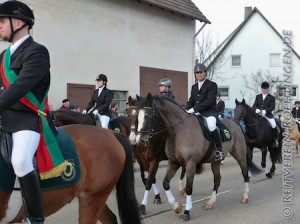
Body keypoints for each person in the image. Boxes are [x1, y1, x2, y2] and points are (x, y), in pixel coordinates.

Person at [0, 1, 50, 222]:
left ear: (18, 23)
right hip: (3, 118)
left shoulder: (37, 52)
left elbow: (20, 87)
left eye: (1, 21)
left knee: (20, 161)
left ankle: (35, 219)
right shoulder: (3, 56)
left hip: (25, 120)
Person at [185, 63, 224, 161]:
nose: (199, 74)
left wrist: (194, 109)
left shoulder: (212, 85)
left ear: (205, 73)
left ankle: (219, 150)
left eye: (200, 72)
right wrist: (186, 109)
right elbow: (191, 100)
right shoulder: (194, 87)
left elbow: (209, 101)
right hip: (196, 112)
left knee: (211, 126)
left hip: (209, 113)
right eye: (197, 73)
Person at [253, 81, 278, 147]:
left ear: (268, 89)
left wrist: (266, 111)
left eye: (266, 89)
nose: (265, 90)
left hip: (268, 116)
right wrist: (256, 109)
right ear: (262, 89)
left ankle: (275, 140)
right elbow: (254, 105)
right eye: (264, 89)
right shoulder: (258, 96)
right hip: (258, 115)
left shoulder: (272, 97)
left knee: (274, 125)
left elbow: (272, 107)